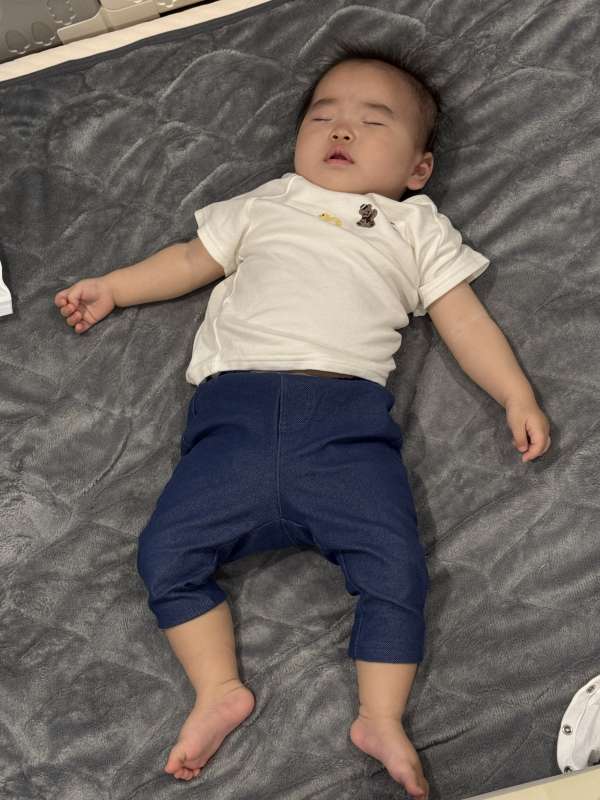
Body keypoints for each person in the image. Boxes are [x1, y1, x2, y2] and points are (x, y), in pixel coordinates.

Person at [54, 41, 551, 800]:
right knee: (164, 556)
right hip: (234, 425)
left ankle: (379, 717)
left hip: (345, 433)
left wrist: (514, 394)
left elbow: (465, 321)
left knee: (397, 570)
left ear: (418, 168)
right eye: (324, 117)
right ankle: (218, 688)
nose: (342, 130)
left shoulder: (416, 228)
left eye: (373, 121)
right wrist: (115, 288)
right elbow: (188, 259)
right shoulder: (266, 204)